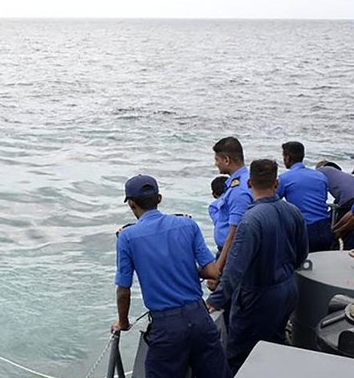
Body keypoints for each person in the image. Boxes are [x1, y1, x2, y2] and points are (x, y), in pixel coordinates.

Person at [112, 174, 231, 378]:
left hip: (167, 328)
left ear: (131, 204)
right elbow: (213, 272)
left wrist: (123, 322)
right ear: (159, 198)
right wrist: (187, 270)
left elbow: (124, 290)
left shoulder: (127, 237)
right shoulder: (187, 224)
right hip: (200, 317)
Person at [206, 159, 308, 374]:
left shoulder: (250, 220)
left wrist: (215, 300)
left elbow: (235, 270)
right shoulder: (293, 211)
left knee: (239, 354)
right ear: (277, 183)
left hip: (258, 297)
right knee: (275, 346)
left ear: (250, 182)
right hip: (287, 291)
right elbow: (302, 254)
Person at [210, 137, 254, 280]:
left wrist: (218, 267)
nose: (216, 164)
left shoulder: (238, 191)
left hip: (231, 254)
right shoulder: (244, 179)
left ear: (227, 160)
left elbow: (234, 233)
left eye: (217, 160)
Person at [277, 141, 332, 252]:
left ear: (287, 157)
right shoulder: (320, 176)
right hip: (325, 227)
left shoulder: (284, 178)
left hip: (305, 229)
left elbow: (272, 200)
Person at [315, 160, 354, 226]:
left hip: (350, 200)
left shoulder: (320, 172)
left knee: (336, 224)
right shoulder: (342, 175)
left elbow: (318, 194)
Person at [209, 175, 229, 254]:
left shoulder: (214, 206)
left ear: (214, 194)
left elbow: (220, 222)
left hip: (224, 247)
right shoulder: (237, 200)